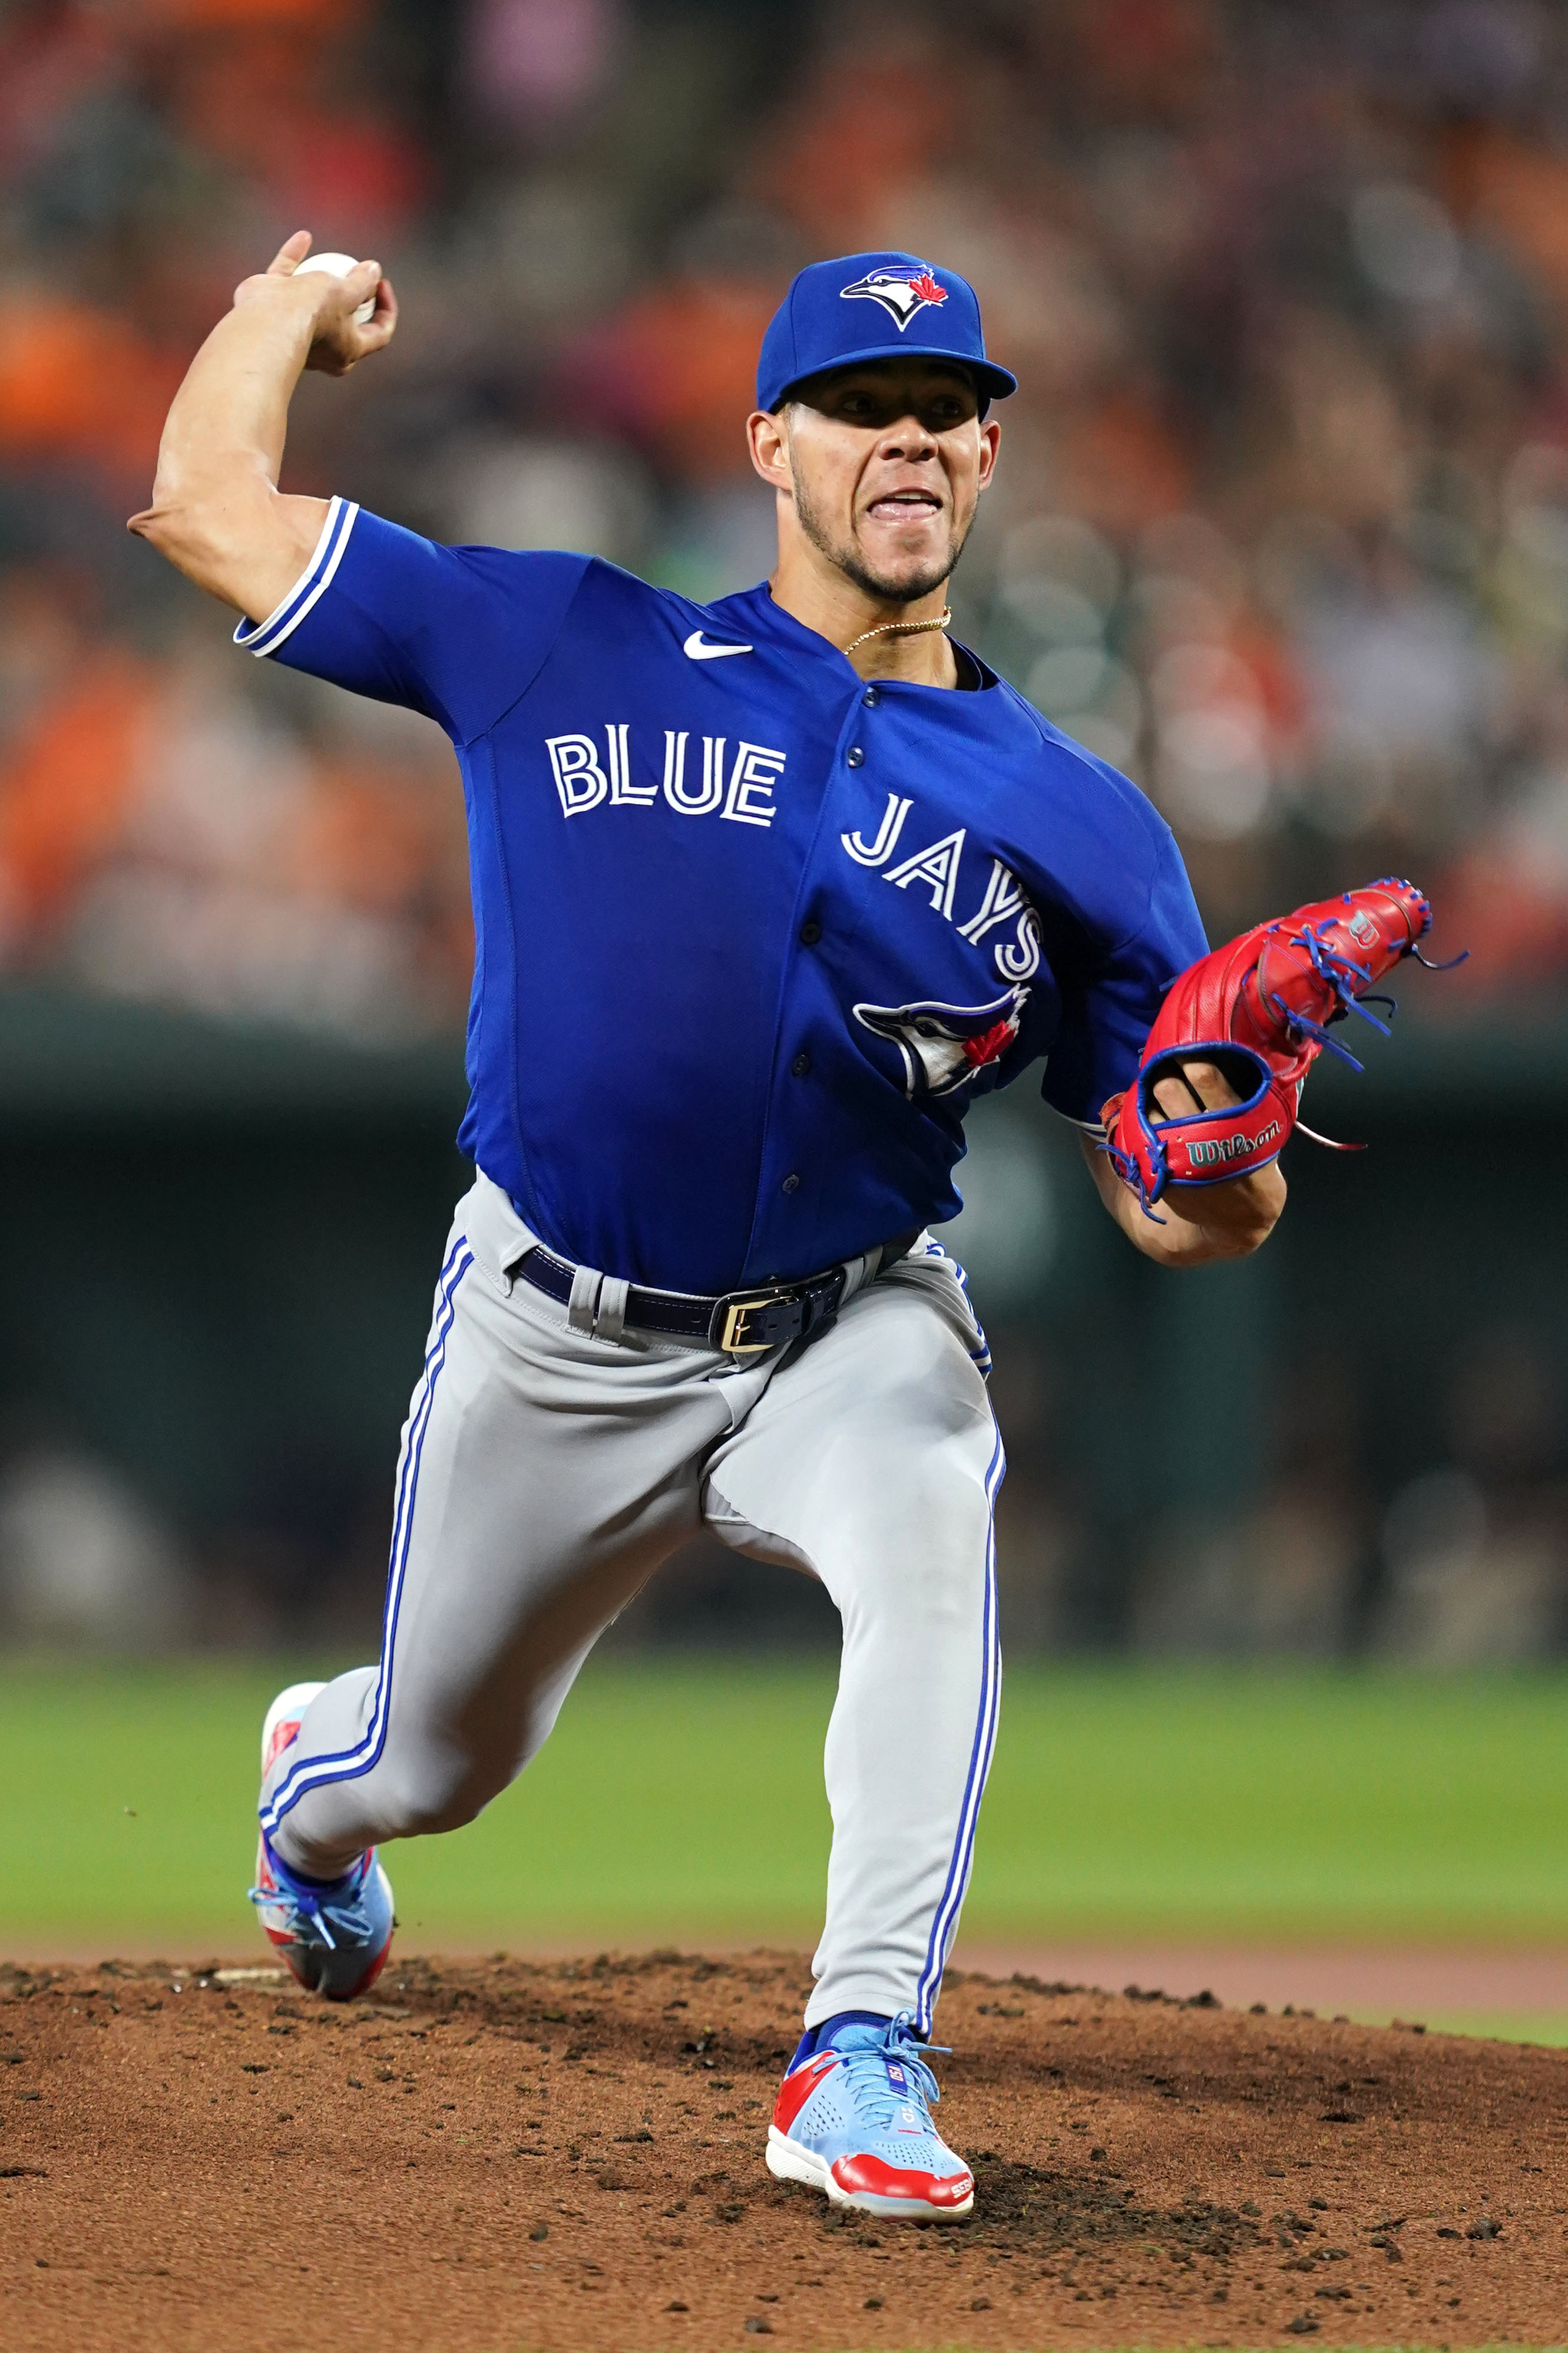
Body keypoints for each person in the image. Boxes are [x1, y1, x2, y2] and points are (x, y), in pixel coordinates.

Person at [131, 240, 1283, 2223]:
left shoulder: (1085, 822)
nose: (905, 439)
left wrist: (1218, 1152)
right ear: (773, 440)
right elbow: (209, 510)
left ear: (988, 458)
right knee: (432, 1763)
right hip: (556, 1332)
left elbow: (1182, 1210)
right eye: (859, 407)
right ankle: (310, 1791)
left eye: (943, 414)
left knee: (935, 1498)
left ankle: (861, 2047)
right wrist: (283, 306)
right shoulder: (564, 641)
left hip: (854, 1316)